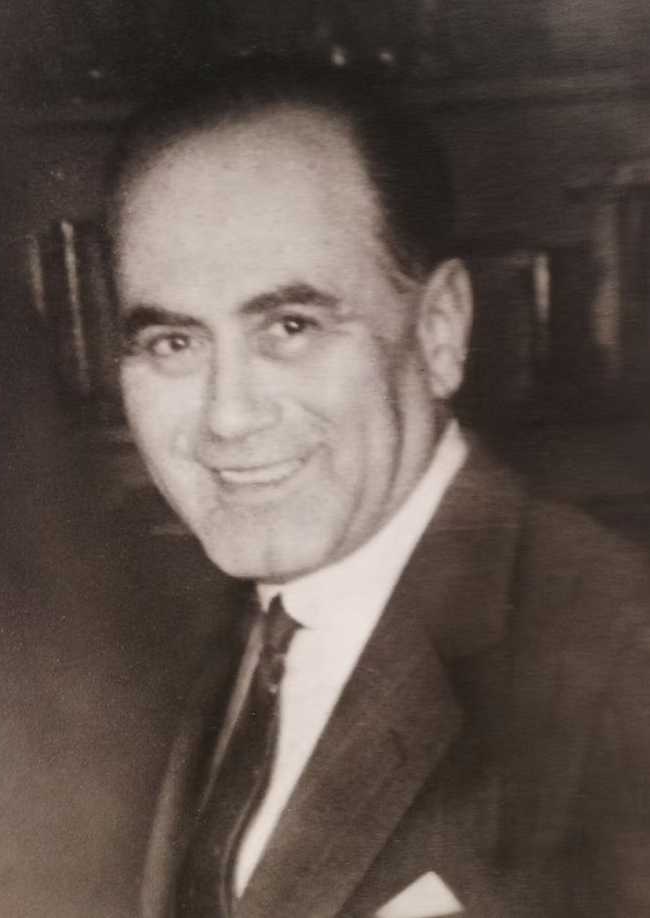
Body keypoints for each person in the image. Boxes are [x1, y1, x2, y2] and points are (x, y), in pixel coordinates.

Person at [108, 58, 650, 918]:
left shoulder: (619, 662)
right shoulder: (174, 641)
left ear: (439, 331)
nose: (227, 417)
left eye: (290, 327)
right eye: (174, 343)